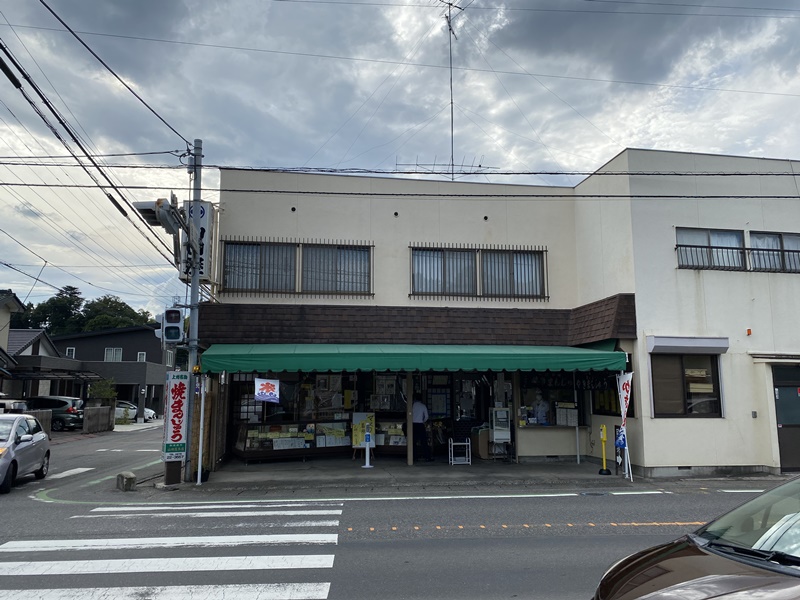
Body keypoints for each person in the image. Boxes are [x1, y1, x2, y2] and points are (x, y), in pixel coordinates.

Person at [412, 393, 432, 462]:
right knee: (424, 441)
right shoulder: (423, 406)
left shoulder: (412, 406)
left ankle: (414, 457)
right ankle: (427, 457)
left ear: (414, 399)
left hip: (413, 425)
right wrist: (423, 421)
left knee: (413, 442)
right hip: (420, 425)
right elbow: (426, 416)